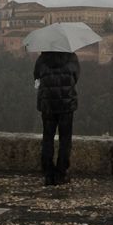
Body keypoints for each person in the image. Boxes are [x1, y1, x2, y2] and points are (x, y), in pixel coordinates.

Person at [34, 50, 80, 185]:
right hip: (66, 104)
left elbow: (36, 76)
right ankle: (61, 173)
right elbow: (75, 77)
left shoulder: (42, 59)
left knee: (47, 137)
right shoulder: (72, 58)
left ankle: (48, 173)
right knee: (65, 139)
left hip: (47, 103)